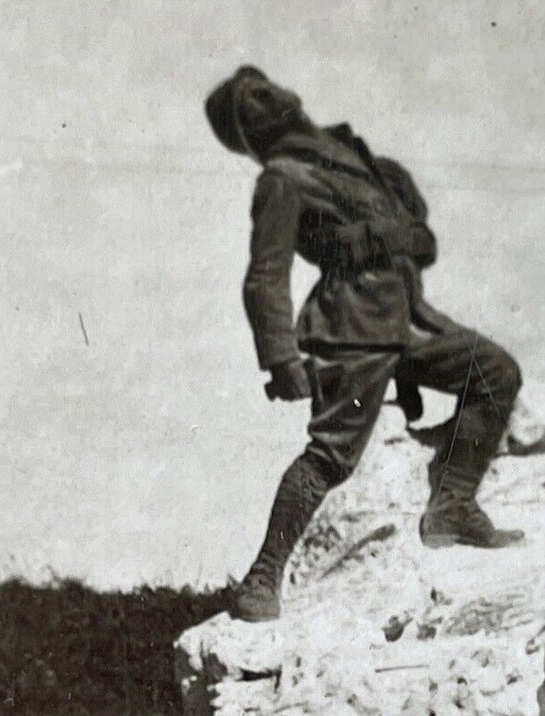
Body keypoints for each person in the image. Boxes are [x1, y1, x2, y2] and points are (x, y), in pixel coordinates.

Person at [204, 66, 525, 623]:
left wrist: (393, 232)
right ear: (248, 133)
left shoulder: (354, 157)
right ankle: (263, 576)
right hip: (350, 329)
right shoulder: (282, 177)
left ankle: (452, 506)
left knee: (495, 373)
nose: (267, 95)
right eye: (249, 103)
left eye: (264, 85)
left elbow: (422, 242)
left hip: (409, 317)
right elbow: (265, 273)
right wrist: (281, 357)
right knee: (331, 456)